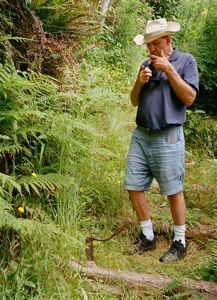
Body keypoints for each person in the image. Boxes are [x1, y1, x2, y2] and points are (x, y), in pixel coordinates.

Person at [124, 18, 199, 262]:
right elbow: (134, 100)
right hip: (141, 134)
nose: (152, 49)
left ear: (168, 40)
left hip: (168, 136)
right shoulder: (146, 64)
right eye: (149, 45)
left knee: (173, 190)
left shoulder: (186, 61)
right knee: (133, 185)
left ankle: (180, 241)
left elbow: (189, 98)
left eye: (157, 43)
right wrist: (139, 82)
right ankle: (147, 236)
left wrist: (168, 69)